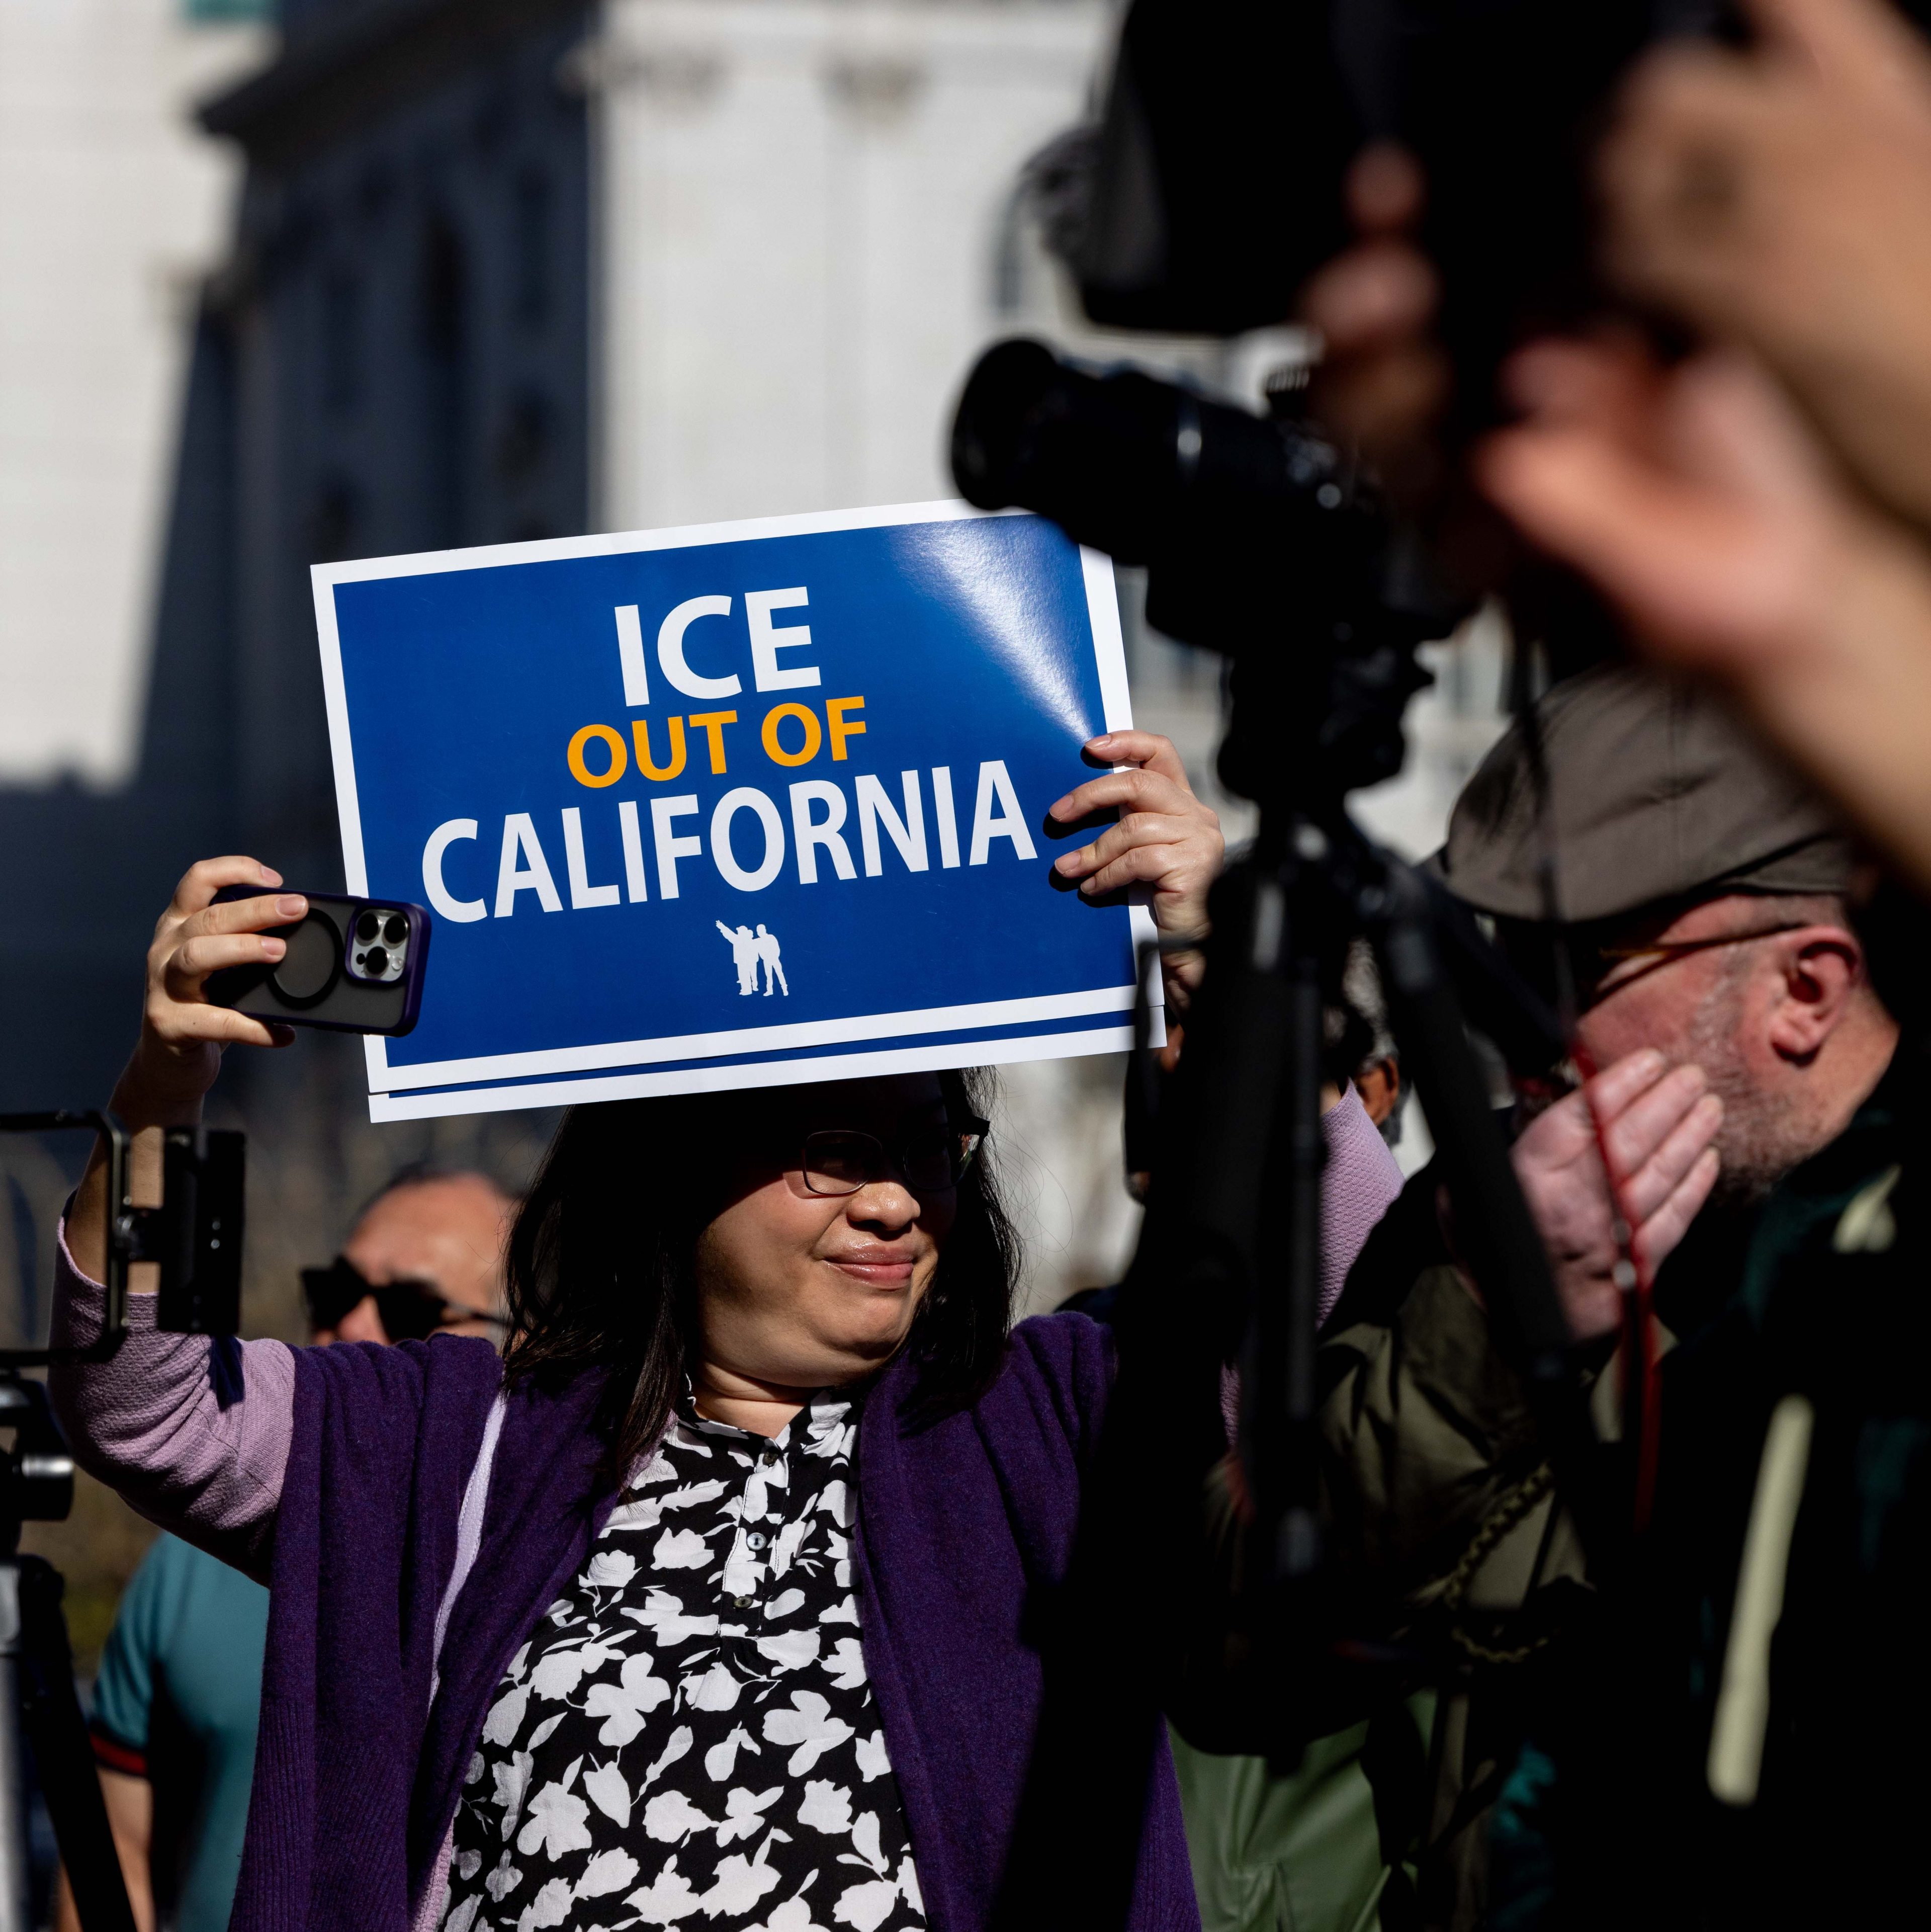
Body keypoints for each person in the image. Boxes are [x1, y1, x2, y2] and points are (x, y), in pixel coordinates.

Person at [45, 728, 1359, 1932]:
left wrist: (1232, 974)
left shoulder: (1062, 1420)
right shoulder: (457, 1439)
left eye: (927, 1145)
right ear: (674, 1174)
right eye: (833, 1150)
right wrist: (162, 1097)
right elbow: (148, 1406)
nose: (897, 1196)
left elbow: (1357, 1364)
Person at [1315, 662, 1911, 1926]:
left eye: (1568, 969)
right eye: (1494, 960)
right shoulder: (1477, 1210)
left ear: (1804, 988)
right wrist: (1476, 1316)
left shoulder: (1884, 1285)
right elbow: (1233, 1631)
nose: (1516, 1032)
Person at [53, 1166, 515, 1932]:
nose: (355, 1326)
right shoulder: (184, 1566)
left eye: (411, 1308)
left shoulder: (551, 1563)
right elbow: (112, 1852)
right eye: (335, 1291)